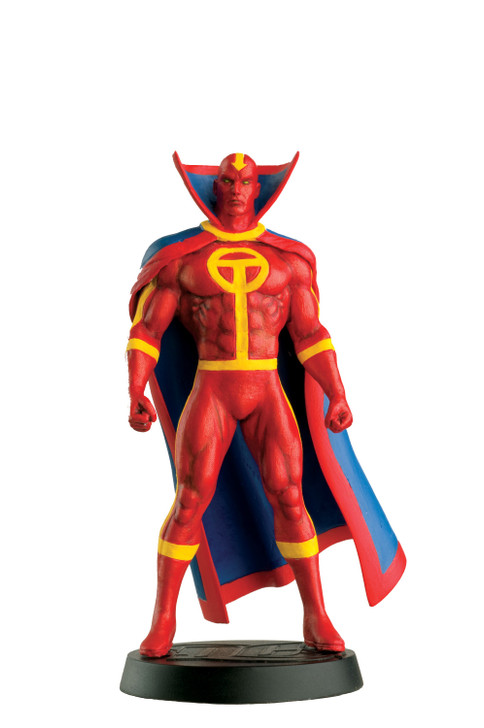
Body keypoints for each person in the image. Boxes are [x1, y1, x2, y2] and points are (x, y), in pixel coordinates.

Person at [127, 152, 405, 658]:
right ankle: (163, 618)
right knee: (190, 500)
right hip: (212, 387)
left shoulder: (289, 260)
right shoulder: (183, 260)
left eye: (246, 180)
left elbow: (310, 334)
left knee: (291, 497)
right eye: (228, 180)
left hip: (267, 390)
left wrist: (337, 392)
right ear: (214, 188)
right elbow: (147, 331)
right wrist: (135, 390)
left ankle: (316, 615)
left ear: (260, 188)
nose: (236, 189)